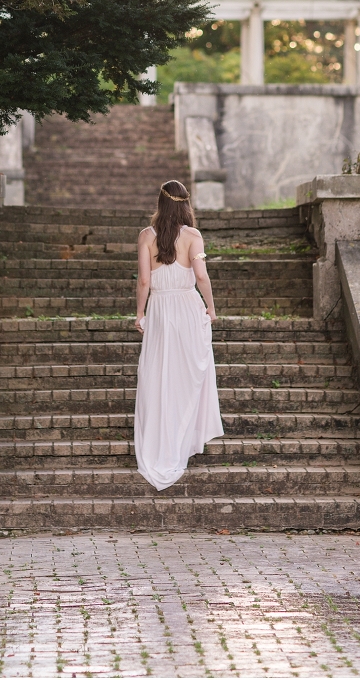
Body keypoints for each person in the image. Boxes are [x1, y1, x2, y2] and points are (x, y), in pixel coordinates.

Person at [133, 180, 224, 490]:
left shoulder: (146, 237)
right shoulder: (193, 237)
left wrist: (140, 313)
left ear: (160, 204)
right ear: (185, 205)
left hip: (159, 311)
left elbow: (144, 281)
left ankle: (162, 439)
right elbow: (200, 275)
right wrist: (211, 308)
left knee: (159, 375)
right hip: (186, 308)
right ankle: (183, 437)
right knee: (187, 375)